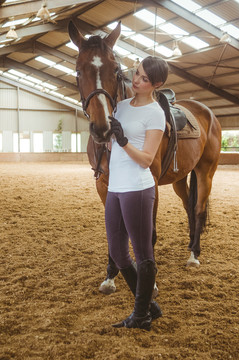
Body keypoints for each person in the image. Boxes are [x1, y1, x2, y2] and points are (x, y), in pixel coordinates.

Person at [106, 56, 169, 331]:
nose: (136, 81)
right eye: (136, 74)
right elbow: (112, 149)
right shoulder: (120, 106)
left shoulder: (155, 112)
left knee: (144, 255)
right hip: (114, 188)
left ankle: (140, 315)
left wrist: (123, 140)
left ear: (157, 84)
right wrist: (105, 136)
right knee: (118, 253)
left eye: (144, 79)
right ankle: (149, 308)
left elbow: (146, 159)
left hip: (138, 189)